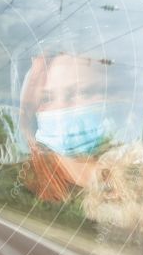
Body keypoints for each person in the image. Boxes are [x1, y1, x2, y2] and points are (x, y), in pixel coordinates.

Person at [18, 53, 115, 202]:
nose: (60, 109)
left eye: (82, 92)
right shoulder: (28, 188)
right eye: (46, 98)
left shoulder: (138, 169)